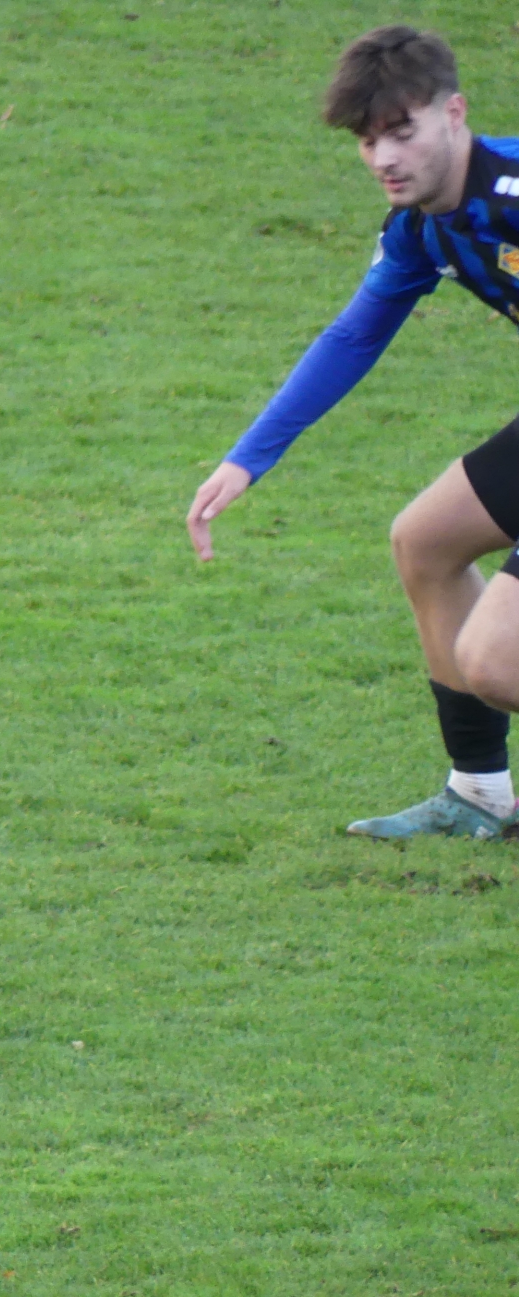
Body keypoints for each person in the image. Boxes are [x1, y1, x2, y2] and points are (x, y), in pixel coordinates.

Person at [187, 24, 519, 840]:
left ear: (455, 112)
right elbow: (354, 335)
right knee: (426, 542)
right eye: (369, 142)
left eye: (402, 132)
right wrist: (248, 458)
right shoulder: (421, 230)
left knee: (497, 659)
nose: (384, 159)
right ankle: (479, 794)